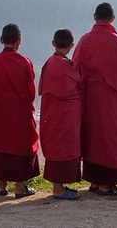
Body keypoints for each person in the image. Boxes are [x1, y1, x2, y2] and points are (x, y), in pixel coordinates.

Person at [72, 2, 117, 196]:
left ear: (94, 17)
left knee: (92, 135)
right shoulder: (116, 40)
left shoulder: (84, 39)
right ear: (112, 19)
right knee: (111, 136)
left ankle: (95, 181)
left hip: (89, 97)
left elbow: (75, 67)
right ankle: (106, 184)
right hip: (110, 95)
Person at [0, 23, 40, 198]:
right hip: (18, 113)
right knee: (20, 146)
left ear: (1, 40)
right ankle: (20, 187)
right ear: (19, 42)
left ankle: (1, 186)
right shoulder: (24, 62)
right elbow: (30, 91)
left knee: (2, 146)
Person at [38, 29, 81, 200]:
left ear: (53, 43)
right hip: (68, 115)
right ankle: (58, 189)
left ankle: (59, 186)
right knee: (66, 147)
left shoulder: (49, 64)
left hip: (52, 113)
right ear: (72, 45)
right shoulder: (69, 66)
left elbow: (43, 89)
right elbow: (79, 85)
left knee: (57, 146)